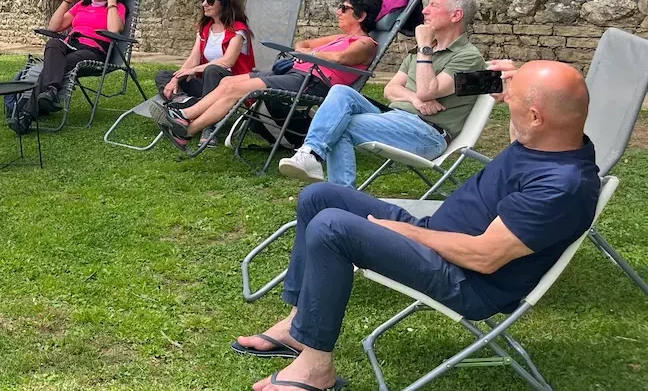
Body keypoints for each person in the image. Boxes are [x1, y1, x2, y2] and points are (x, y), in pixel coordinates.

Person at [232, 61, 600, 391]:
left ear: (536, 116)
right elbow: (532, 114)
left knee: (332, 227)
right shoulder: (548, 139)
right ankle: (299, 326)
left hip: (467, 279)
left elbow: (485, 258)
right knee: (321, 198)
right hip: (438, 234)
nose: (503, 103)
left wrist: (408, 233)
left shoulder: (560, 187)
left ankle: (316, 368)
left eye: (512, 100)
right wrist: (511, 80)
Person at [279, 0, 487, 185]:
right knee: (341, 92)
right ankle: (311, 155)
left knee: (339, 124)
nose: (425, 10)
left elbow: (427, 90)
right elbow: (390, 89)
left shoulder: (467, 57)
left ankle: (339, 194)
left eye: (434, 5)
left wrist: (424, 46)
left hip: (428, 132)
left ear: (456, 15)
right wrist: (413, 97)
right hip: (393, 117)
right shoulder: (422, 50)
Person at [156, 0, 382, 149]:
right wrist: (307, 52)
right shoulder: (341, 37)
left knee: (239, 90)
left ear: (361, 16)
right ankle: (184, 123)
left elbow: (340, 58)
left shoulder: (365, 44)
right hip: (294, 74)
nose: (338, 11)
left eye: (345, 8)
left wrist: (309, 54)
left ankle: (184, 122)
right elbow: (302, 44)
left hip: (313, 83)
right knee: (228, 83)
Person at [10, 0, 126, 132]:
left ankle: (26, 116)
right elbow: (54, 27)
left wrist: (112, 0)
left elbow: (114, 30)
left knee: (54, 66)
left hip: (94, 50)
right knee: (53, 44)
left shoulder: (117, 7)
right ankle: (50, 92)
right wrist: (67, 0)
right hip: (70, 44)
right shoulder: (81, 6)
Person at [156, 0, 255, 106]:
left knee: (212, 70)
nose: (204, 4)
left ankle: (199, 110)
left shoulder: (238, 30)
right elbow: (193, 59)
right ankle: (182, 102)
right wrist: (175, 79)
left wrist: (195, 70)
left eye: (210, 1)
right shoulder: (205, 29)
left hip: (232, 86)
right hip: (208, 86)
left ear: (225, 4)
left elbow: (227, 62)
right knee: (163, 75)